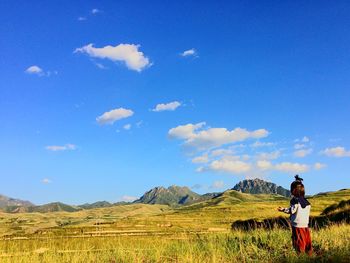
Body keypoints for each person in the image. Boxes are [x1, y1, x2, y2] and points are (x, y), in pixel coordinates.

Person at [278, 175, 313, 255]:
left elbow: (292, 211)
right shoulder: (306, 202)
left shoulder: (295, 201)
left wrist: (283, 209)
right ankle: (310, 254)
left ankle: (300, 256)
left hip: (297, 225)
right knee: (306, 240)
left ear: (294, 190)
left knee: (298, 241)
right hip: (305, 225)